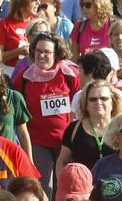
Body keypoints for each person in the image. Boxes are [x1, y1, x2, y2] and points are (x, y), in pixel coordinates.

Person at [17, 33, 81, 191]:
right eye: (38, 51)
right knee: (43, 186)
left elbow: (79, 99)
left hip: (65, 141)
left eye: (47, 52)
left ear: (56, 53)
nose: (42, 55)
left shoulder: (69, 74)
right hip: (38, 141)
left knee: (65, 184)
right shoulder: (25, 76)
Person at [58, 79, 122, 173]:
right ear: (86, 104)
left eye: (104, 98)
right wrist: (63, 184)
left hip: (117, 185)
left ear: (113, 102)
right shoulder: (73, 128)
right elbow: (62, 161)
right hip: (83, 186)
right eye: (93, 99)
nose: (98, 102)